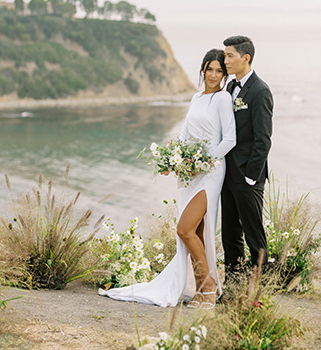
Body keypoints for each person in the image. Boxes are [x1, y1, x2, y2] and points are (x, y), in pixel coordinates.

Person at [99, 49, 236, 308]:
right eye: (210, 69)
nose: (214, 75)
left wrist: (203, 163)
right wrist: (171, 158)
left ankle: (208, 285)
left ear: (224, 74)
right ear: (203, 70)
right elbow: (185, 133)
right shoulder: (196, 98)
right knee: (195, 231)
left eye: (220, 71)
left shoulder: (222, 99)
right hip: (188, 174)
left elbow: (229, 139)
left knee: (184, 229)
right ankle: (200, 290)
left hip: (210, 173)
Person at [221, 35, 273, 278]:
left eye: (230, 55)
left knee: (254, 235)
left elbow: (263, 139)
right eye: (225, 55)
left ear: (246, 57)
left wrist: (251, 177)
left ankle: (259, 290)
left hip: (248, 176)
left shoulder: (260, 91)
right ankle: (233, 286)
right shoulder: (231, 87)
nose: (225, 60)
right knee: (230, 234)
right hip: (228, 173)